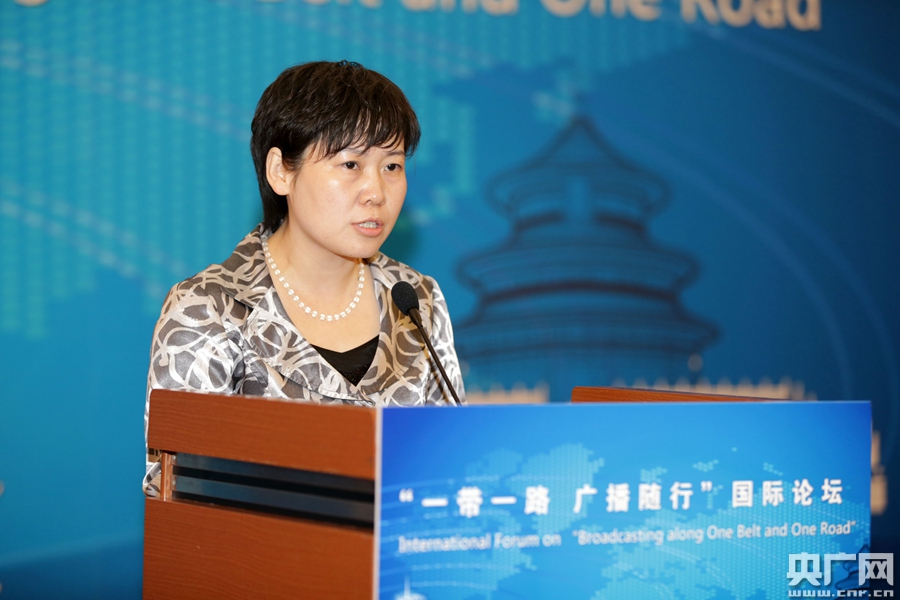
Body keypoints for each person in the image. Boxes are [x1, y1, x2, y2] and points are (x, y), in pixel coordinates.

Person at [143, 61, 465, 494]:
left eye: (392, 166)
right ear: (281, 171)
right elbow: (179, 495)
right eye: (350, 164)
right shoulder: (209, 309)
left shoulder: (415, 298)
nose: (376, 192)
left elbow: (453, 468)